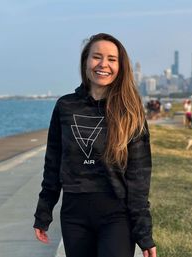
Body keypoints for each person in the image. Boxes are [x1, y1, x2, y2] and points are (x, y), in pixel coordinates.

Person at [33, 33, 156, 257]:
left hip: (116, 216)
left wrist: (144, 233)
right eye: (96, 57)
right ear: (85, 62)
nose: (103, 64)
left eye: (111, 59)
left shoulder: (130, 110)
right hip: (74, 215)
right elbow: (53, 164)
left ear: (120, 66)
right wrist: (44, 212)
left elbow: (139, 177)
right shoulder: (65, 106)